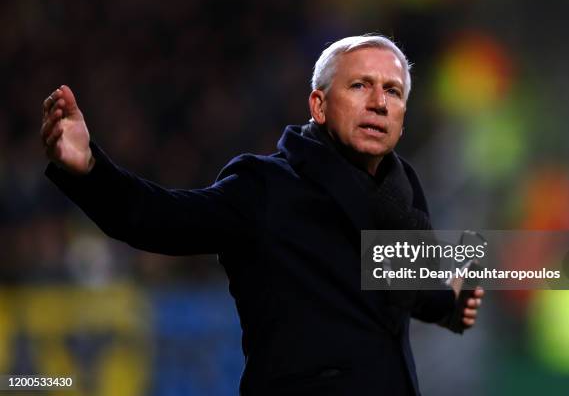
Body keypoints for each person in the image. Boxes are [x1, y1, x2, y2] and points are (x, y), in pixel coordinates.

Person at [41, 35, 484, 396]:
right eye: (359, 86)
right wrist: (89, 171)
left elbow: (399, 284)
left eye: (393, 91)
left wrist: (450, 303)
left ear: (403, 119)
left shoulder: (399, 194)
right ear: (319, 105)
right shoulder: (267, 187)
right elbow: (159, 220)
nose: (378, 102)